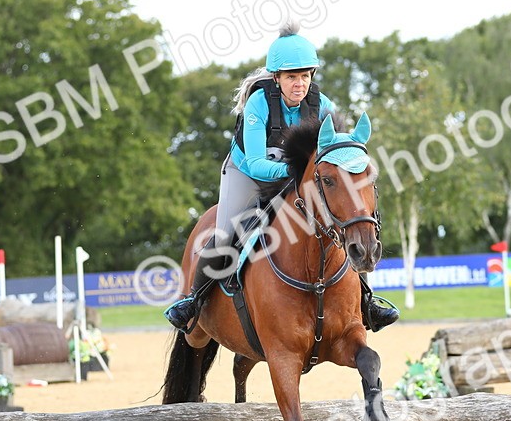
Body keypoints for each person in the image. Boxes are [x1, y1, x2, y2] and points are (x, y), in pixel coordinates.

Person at [165, 23, 399, 333]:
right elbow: (256, 162)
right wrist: (298, 174)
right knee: (224, 234)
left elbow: (335, 156)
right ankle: (193, 302)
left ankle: (366, 303)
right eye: (291, 77)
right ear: (276, 78)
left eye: (305, 76)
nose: (299, 84)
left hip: (300, 179)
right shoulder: (258, 104)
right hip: (248, 173)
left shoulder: (323, 105)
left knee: (344, 227)